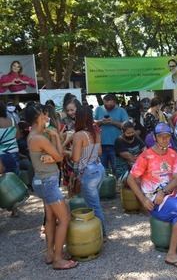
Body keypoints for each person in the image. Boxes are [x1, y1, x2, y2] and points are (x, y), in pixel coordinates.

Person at [127, 123, 177, 268]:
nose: (164, 139)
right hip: (153, 198)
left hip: (169, 193)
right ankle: (171, 254)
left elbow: (176, 179)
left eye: (167, 136)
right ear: (155, 137)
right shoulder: (146, 156)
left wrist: (163, 191)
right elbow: (130, 178)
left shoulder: (172, 153)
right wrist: (143, 199)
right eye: (161, 137)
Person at [24, 102, 78, 270]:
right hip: (48, 183)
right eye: (45, 114)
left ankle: (50, 254)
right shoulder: (39, 138)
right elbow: (60, 156)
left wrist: (54, 137)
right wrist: (54, 154)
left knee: (50, 219)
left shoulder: (38, 135)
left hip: (43, 181)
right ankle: (57, 259)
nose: (48, 116)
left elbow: (57, 154)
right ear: (40, 116)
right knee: (64, 219)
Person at [72, 105, 107, 239]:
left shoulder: (79, 135)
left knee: (94, 207)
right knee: (95, 203)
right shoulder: (96, 132)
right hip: (99, 169)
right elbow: (99, 152)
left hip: (88, 173)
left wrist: (67, 152)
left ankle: (102, 235)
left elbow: (75, 158)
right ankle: (100, 233)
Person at [93, 94, 129, 174]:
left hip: (116, 144)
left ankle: (117, 184)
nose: (108, 107)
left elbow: (126, 126)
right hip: (101, 145)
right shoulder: (98, 109)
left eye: (111, 105)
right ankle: (104, 185)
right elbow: (92, 123)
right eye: (106, 105)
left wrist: (113, 122)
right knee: (101, 169)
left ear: (115, 103)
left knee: (116, 167)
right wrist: (101, 122)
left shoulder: (121, 111)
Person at [0, 102, 22, 217]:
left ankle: (7, 204)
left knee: (2, 183)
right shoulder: (13, 121)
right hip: (14, 153)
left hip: (1, 155)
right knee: (13, 179)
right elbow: (18, 135)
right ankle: (15, 209)